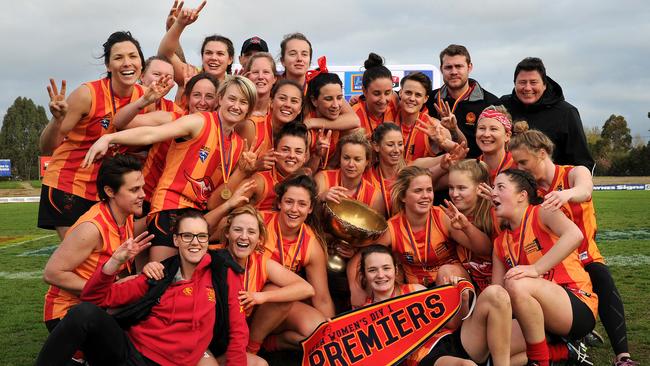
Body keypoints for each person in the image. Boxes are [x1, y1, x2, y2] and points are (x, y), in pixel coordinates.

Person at [36, 209, 248, 366]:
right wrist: (113, 264)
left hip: (172, 363)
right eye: (187, 236)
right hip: (130, 353)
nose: (195, 242)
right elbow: (96, 299)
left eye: (201, 236)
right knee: (84, 313)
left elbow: (238, 332)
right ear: (176, 240)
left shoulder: (222, 273)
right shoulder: (159, 274)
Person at [83, 76, 258, 262]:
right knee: (160, 275)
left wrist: (242, 171)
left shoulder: (238, 145)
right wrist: (109, 139)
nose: (236, 106)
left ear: (249, 108)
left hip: (197, 216)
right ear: (220, 99)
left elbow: (214, 201)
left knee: (182, 281)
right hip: (170, 207)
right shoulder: (199, 122)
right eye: (232, 99)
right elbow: (152, 134)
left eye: (243, 102)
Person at [509, 123, 638, 366]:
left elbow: (585, 189)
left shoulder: (572, 172)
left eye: (523, 162)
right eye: (516, 163)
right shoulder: (531, 189)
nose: (519, 168)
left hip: (584, 254)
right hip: (556, 262)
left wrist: (566, 194)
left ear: (542, 153)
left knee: (603, 280)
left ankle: (623, 356)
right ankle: (567, 344)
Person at [38, 31, 146, 239]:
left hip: (107, 190)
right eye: (118, 57)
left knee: (111, 259)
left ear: (141, 63)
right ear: (108, 66)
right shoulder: (87, 94)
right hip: (68, 184)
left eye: (133, 56)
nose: (127, 63)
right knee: (80, 260)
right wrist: (57, 120)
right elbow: (46, 147)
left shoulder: (144, 97)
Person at [491, 169, 597, 366]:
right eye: (493, 187)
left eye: (500, 187)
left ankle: (540, 362)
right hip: (536, 317)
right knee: (496, 349)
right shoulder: (499, 243)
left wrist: (536, 269)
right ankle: (564, 351)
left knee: (518, 283)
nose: (492, 192)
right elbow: (498, 294)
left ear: (522, 196)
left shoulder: (542, 212)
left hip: (575, 304)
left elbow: (575, 235)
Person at [358, 245, 513, 366]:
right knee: (466, 365)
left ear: (395, 270)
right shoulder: (362, 317)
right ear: (364, 275)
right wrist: (333, 332)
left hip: (455, 340)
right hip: (426, 358)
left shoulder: (416, 291)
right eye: (372, 270)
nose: (380, 275)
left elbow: (453, 324)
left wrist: (463, 300)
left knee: (495, 294)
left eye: (386, 268)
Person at [42, 154, 148, 331]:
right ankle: (75, 358)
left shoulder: (125, 216)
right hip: (67, 315)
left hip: (97, 307)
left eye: (142, 188)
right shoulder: (91, 228)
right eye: (134, 190)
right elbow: (52, 274)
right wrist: (110, 289)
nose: (143, 195)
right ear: (110, 192)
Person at [246, 175, 335, 353]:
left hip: (274, 305)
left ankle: (270, 343)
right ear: (279, 203)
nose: (294, 209)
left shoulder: (311, 244)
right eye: (289, 202)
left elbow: (322, 297)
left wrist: (333, 337)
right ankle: (250, 349)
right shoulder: (258, 222)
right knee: (280, 292)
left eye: (302, 204)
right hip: (245, 296)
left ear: (310, 208)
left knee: (317, 330)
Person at [374, 166, 492, 291]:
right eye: (418, 191)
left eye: (429, 190)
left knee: (445, 272)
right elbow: (367, 257)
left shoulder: (442, 216)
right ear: (403, 196)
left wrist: (466, 227)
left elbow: (485, 250)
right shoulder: (392, 227)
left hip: (452, 280)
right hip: (417, 290)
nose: (425, 196)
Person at [500, 57, 594, 170]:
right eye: (522, 82)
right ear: (515, 84)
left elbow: (582, 162)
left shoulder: (566, 113)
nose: (527, 88)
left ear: (544, 84)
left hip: (552, 185)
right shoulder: (502, 107)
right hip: (508, 183)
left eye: (533, 82)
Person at [426, 44, 500, 159]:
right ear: (441, 69)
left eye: (459, 66)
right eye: (448, 67)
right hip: (438, 165)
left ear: (469, 67)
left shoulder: (490, 102)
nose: (454, 72)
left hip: (475, 168)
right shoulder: (430, 99)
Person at [447, 159, 499, 293]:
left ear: (479, 188)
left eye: (461, 188)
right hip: (469, 278)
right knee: (447, 272)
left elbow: (487, 251)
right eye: (451, 188)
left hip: (497, 281)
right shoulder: (447, 214)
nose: (454, 194)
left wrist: (466, 227)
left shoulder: (495, 212)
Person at [240, 122, 309, 212]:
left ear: (305, 157)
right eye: (285, 150)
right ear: (275, 151)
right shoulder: (259, 182)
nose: (292, 155)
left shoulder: (307, 184)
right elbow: (229, 216)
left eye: (298, 152)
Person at [315, 132, 384, 214]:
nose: (351, 164)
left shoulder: (375, 197)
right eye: (346, 158)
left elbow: (376, 226)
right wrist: (321, 197)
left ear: (367, 162)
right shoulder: (323, 178)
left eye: (357, 159)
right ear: (340, 158)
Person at [303, 71, 361, 170]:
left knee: (353, 131)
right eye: (328, 99)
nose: (335, 105)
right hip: (309, 180)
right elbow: (304, 174)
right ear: (314, 101)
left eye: (339, 98)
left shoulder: (310, 122)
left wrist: (312, 122)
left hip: (330, 176)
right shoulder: (306, 131)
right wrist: (316, 156)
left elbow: (355, 121)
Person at [395, 72, 454, 164]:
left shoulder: (434, 125)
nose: (412, 98)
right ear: (401, 93)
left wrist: (444, 141)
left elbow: (456, 153)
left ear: (425, 99)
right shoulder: (388, 117)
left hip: (419, 176)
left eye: (418, 95)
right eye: (408, 93)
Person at [236, 52, 279, 146]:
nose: (260, 77)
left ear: (274, 78)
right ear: (247, 77)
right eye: (255, 72)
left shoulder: (279, 108)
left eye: (266, 72)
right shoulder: (236, 111)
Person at [353, 53, 398, 137]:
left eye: (387, 93)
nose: (383, 100)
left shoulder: (396, 108)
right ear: (364, 91)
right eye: (376, 93)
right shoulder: (353, 115)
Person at [365, 122, 405, 217]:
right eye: (390, 145)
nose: (396, 150)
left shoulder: (410, 176)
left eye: (400, 144)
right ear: (376, 146)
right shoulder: (365, 176)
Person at [476, 105, 516, 185]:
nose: (486, 134)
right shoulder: (472, 167)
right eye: (482, 128)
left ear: (507, 136)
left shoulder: (519, 166)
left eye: (493, 129)